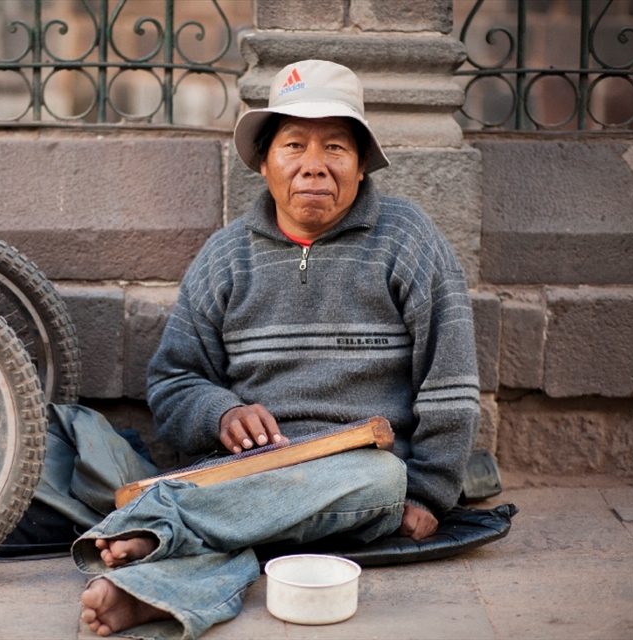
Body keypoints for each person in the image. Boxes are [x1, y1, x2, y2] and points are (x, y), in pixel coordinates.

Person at [73, 60, 480, 640]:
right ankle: (151, 594)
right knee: (243, 506)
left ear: (362, 165)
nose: (314, 164)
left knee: (381, 479)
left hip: (360, 475)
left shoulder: (408, 240)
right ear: (264, 162)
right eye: (293, 145)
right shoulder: (225, 256)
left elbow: (452, 380)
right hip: (251, 472)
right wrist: (223, 413)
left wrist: (431, 491)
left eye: (336, 147)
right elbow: (173, 379)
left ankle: (159, 522)